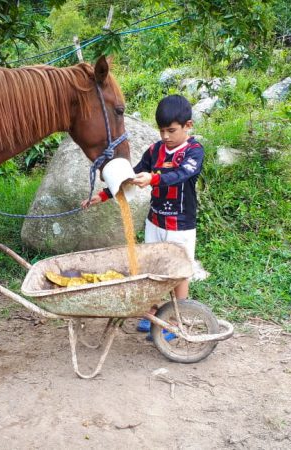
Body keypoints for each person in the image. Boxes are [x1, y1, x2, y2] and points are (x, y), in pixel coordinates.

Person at [82, 94, 204, 333]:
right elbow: (133, 175)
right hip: (155, 222)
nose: (166, 137)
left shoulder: (194, 151)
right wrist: (104, 194)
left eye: (171, 130)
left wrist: (154, 178)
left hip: (181, 225)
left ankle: (174, 322)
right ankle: (152, 313)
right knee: (152, 270)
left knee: (178, 274)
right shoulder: (155, 150)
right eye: (162, 131)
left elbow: (181, 175)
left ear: (188, 125)